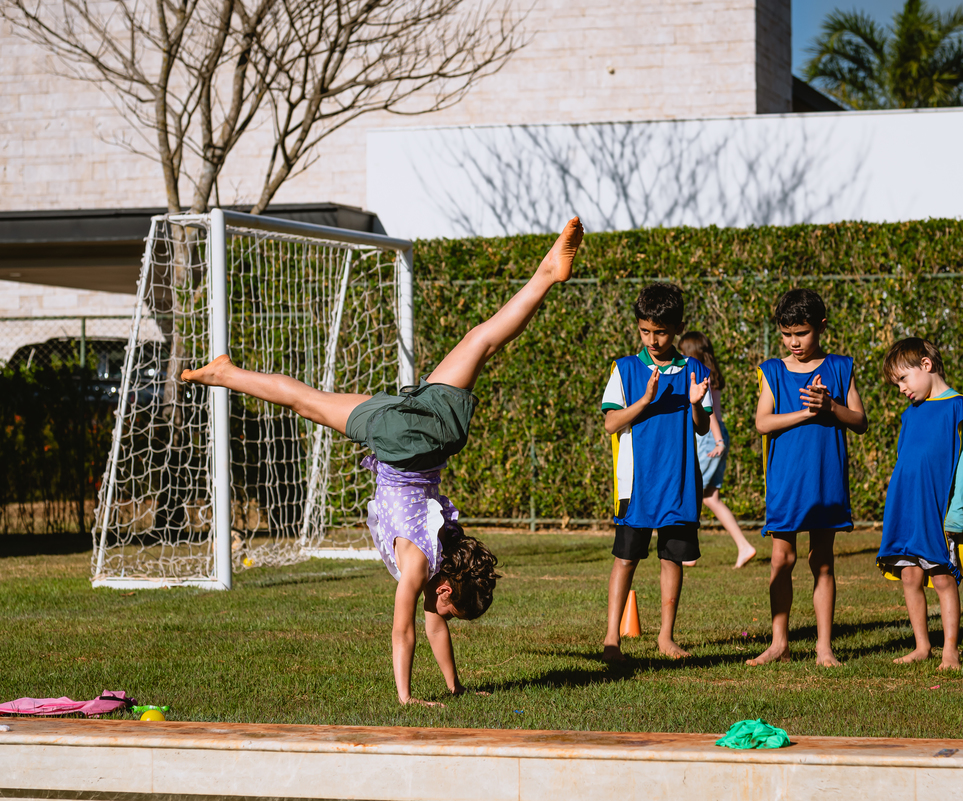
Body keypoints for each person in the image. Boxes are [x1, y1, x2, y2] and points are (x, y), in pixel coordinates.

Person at [182, 217, 585, 705]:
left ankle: (545, 274)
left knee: (482, 340)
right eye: (451, 609)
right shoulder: (418, 565)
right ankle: (228, 373)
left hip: (432, 437)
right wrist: (405, 698)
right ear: (447, 589)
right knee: (305, 401)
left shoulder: (445, 552)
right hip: (403, 443)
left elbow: (433, 629)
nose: (442, 613)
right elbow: (403, 632)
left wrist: (457, 688)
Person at [746, 289, 867, 668]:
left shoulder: (840, 367)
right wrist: (805, 413)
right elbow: (762, 422)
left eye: (801, 333)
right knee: (781, 559)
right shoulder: (773, 370)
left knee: (823, 561)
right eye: (786, 334)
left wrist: (831, 407)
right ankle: (779, 643)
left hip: (824, 479)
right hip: (786, 482)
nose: (793, 342)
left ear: (821, 327)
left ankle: (824, 647)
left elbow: (860, 421)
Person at [600, 283, 712, 661]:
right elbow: (611, 423)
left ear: (678, 328)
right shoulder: (625, 369)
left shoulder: (694, 370)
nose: (652, 339)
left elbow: (700, 426)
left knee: (672, 558)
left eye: (661, 332)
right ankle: (611, 639)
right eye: (645, 330)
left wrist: (697, 404)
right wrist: (645, 401)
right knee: (626, 558)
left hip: (678, 483)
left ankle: (666, 636)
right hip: (638, 484)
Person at [876, 338, 963, 671]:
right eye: (896, 384)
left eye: (903, 379)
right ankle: (922, 646)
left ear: (926, 365)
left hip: (937, 512)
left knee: (943, 577)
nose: (901, 389)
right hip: (906, 509)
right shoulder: (910, 414)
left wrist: (956, 515)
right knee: (909, 576)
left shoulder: (957, 407)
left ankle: (950, 650)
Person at [677, 331, 756, 568]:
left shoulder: (700, 376)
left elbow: (708, 414)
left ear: (691, 353)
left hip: (711, 437)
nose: (679, 356)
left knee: (689, 492)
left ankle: (688, 553)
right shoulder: (711, 374)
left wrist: (718, 441)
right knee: (710, 497)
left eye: (682, 351)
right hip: (717, 435)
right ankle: (744, 546)